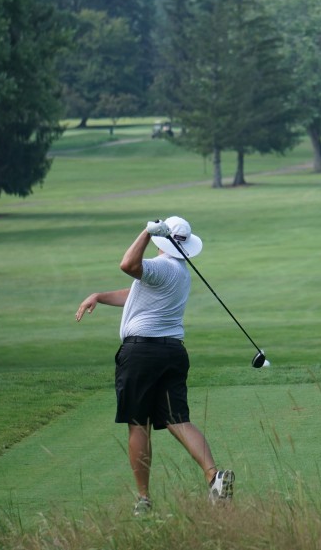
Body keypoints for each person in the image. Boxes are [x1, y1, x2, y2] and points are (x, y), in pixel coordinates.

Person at [75, 216, 234, 515]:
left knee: (138, 423)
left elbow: (128, 265)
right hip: (173, 352)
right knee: (178, 419)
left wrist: (146, 232)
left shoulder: (161, 266)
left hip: (141, 354)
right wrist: (99, 296)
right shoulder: (180, 271)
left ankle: (143, 499)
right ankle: (214, 477)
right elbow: (136, 292)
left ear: (163, 239)